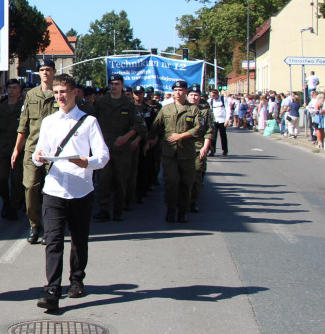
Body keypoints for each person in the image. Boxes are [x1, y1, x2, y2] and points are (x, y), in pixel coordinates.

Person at [32, 73, 109, 312]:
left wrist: (88, 162)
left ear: (74, 92)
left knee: (78, 240)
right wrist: (38, 158)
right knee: (53, 241)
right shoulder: (49, 121)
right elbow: (39, 152)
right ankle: (52, 290)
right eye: (56, 93)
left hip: (80, 189)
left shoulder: (88, 122)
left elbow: (103, 156)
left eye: (63, 92)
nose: (60, 96)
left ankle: (76, 279)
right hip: (54, 188)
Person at [13, 58, 58, 244]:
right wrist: (17, 149)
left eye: (48, 69)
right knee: (31, 187)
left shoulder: (60, 93)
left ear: (54, 72)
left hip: (55, 150)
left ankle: (51, 227)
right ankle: (34, 224)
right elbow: (23, 125)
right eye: (42, 70)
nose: (45, 73)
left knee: (53, 190)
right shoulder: (31, 95)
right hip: (33, 148)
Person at [149, 80, 207, 223]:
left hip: (187, 153)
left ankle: (183, 211)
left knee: (186, 183)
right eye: (175, 90)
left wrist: (181, 136)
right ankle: (171, 208)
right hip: (169, 152)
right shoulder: (166, 109)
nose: (178, 93)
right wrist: (150, 140)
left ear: (186, 91)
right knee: (171, 181)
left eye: (181, 90)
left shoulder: (193, 110)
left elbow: (199, 128)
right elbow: (155, 127)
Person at [92, 74, 142, 222]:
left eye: (117, 84)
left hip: (122, 148)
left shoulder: (129, 103)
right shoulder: (101, 103)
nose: (114, 86)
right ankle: (104, 209)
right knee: (104, 180)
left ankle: (119, 209)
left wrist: (126, 137)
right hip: (104, 147)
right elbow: (93, 124)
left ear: (122, 85)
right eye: (112, 84)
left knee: (121, 180)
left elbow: (137, 125)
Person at [0, 79, 24, 221]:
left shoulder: (24, 108)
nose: (12, 90)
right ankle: (6, 201)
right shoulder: (0, 108)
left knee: (17, 181)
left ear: (19, 90)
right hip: (2, 148)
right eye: (10, 87)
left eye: (15, 88)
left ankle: (14, 207)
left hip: (19, 148)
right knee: (0, 180)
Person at [188, 87, 215, 213]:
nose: (194, 97)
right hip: (184, 147)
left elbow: (210, 130)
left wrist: (206, 146)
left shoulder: (206, 112)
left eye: (196, 95)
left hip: (199, 147)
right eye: (192, 94)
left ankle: (192, 202)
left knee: (197, 175)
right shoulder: (183, 109)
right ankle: (182, 200)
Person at [208, 88, 228, 156]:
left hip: (222, 120)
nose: (212, 96)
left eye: (213, 95)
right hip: (214, 120)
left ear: (217, 94)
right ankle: (212, 150)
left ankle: (225, 150)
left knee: (223, 136)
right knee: (213, 136)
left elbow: (228, 109)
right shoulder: (211, 100)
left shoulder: (223, 99)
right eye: (211, 95)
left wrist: (227, 120)